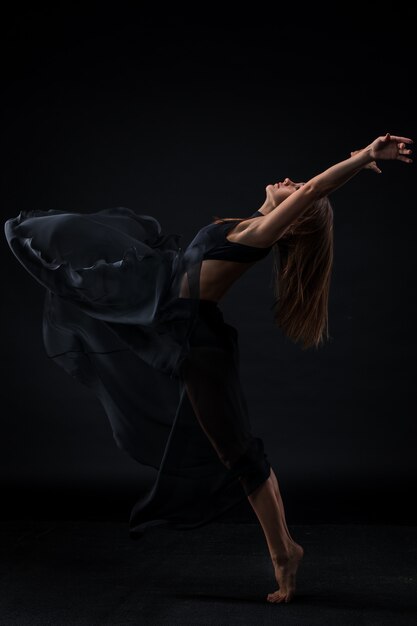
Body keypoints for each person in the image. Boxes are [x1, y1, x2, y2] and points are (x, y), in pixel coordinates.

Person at [4, 133, 412, 604]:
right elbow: (307, 195)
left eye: (296, 189)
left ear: (293, 217)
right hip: (174, 321)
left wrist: (362, 159)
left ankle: (284, 555)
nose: (291, 182)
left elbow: (313, 193)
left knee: (238, 455)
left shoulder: (258, 237)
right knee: (239, 453)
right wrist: (346, 164)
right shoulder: (250, 226)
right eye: (295, 184)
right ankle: (286, 549)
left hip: (196, 344)